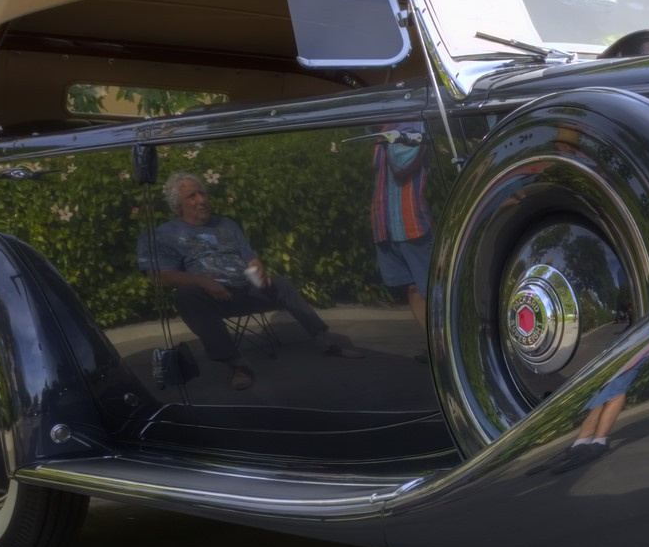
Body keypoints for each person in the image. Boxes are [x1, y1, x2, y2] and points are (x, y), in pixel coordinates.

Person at [145, 171, 361, 390]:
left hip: (247, 289)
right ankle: (237, 364)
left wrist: (258, 267)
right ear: (178, 204)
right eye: (192, 196)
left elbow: (250, 257)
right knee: (185, 296)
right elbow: (158, 275)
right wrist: (203, 283)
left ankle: (326, 341)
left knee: (282, 283)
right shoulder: (166, 233)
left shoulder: (226, 224)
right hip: (212, 296)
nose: (201, 200)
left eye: (202, 193)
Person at [370, 124, 433, 330]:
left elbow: (400, 163)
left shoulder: (413, 125)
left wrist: (387, 132)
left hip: (413, 224)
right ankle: (433, 346)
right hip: (386, 226)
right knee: (412, 289)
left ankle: (446, 348)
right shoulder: (384, 128)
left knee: (432, 291)